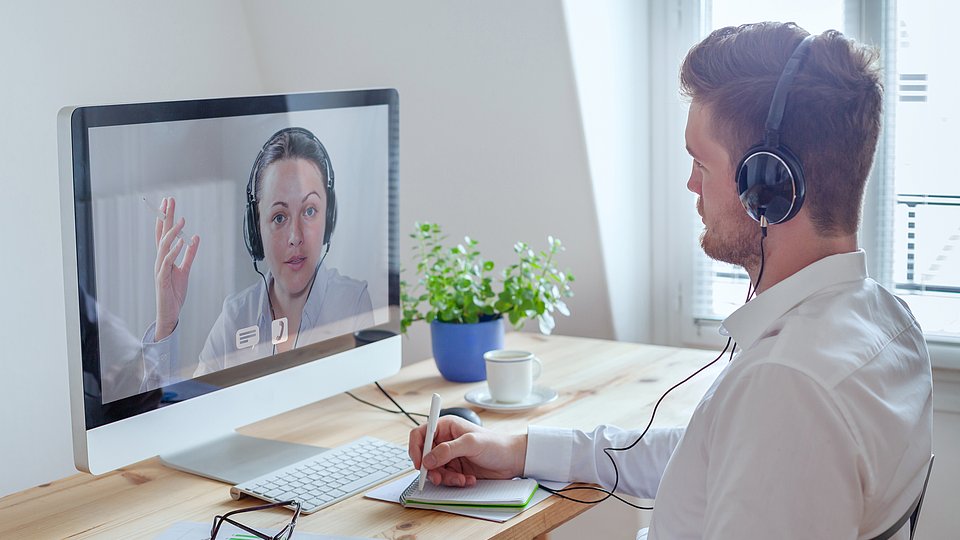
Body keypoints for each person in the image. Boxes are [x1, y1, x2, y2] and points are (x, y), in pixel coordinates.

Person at [408, 22, 932, 539]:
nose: (690, 183)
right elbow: (705, 460)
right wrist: (520, 451)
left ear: (768, 185)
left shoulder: (788, 387)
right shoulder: (886, 322)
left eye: (700, 162)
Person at [142, 127, 374, 386]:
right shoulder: (236, 316)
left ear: (328, 218)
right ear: (256, 230)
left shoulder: (351, 303)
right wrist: (166, 322)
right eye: (279, 217)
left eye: (309, 211)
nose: (295, 236)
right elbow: (184, 414)